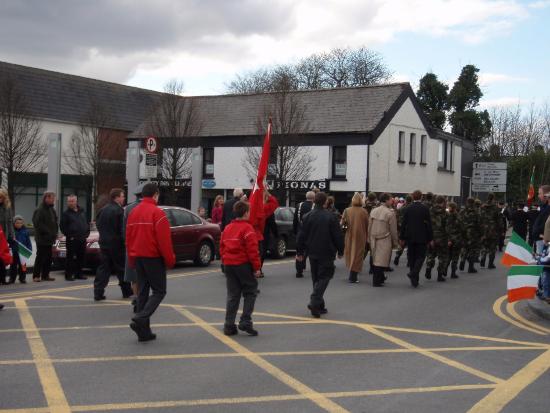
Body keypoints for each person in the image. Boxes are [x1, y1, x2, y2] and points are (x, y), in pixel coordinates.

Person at [126, 183, 175, 342]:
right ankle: (141, 317)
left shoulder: (133, 213)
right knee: (159, 291)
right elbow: (164, 241)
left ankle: (144, 332)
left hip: (138, 257)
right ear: (155, 195)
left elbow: (129, 238)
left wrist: (132, 259)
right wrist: (170, 260)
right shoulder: (158, 213)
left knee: (143, 293)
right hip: (153, 257)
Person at [297, 192, 344, 318]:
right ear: (325, 202)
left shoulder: (307, 216)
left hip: (312, 251)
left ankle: (319, 305)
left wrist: (299, 252)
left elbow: (301, 236)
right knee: (325, 277)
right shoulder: (331, 217)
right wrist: (341, 250)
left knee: (316, 278)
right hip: (327, 251)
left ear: (314, 202)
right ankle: (315, 301)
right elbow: (337, 235)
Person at [220, 201, 262, 336]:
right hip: (242, 264)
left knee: (233, 295)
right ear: (245, 213)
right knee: (250, 292)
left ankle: (229, 325)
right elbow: (252, 251)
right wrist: (257, 268)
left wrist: (225, 259)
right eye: (249, 212)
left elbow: (221, 246)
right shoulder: (248, 229)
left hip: (229, 264)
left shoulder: (227, 228)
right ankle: (245, 321)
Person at [94, 188, 133, 301]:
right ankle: (126, 291)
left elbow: (98, 224)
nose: (123, 198)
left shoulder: (102, 210)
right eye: (122, 196)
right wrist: (124, 241)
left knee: (104, 268)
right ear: (116, 197)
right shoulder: (119, 211)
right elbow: (122, 229)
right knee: (121, 268)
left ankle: (98, 292)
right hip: (116, 244)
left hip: (104, 243)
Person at [399, 190, 433, 288]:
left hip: (410, 236)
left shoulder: (408, 208)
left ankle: (414, 281)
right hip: (422, 237)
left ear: (413, 197)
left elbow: (403, 224)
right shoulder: (425, 209)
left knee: (412, 257)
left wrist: (402, 237)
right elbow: (429, 225)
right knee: (421, 257)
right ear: (421, 197)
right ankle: (414, 273)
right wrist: (430, 238)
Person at [369, 193, 399, 287]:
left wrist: (369, 238)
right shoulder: (390, 213)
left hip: (374, 237)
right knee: (381, 260)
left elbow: (369, 225)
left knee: (376, 258)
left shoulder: (374, 210)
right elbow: (393, 230)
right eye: (390, 199)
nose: (392, 201)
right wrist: (395, 242)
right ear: (386, 200)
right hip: (385, 238)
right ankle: (377, 281)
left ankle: (380, 278)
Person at [123, 184, 145, 313]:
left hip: (131, 246)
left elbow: (124, 229)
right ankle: (142, 298)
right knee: (144, 275)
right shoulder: (151, 208)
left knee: (133, 275)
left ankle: (136, 296)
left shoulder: (127, 209)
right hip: (145, 246)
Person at [60, 195, 90, 281]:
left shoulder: (82, 211)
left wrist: (87, 233)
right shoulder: (66, 214)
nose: (71, 203)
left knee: (81, 257)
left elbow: (86, 223)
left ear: (76, 201)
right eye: (69, 201)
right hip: (72, 239)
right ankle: (69, 275)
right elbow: (62, 226)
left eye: (72, 201)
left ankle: (79, 274)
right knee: (70, 258)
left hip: (82, 238)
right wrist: (70, 236)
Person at [341, 193, 369, 283]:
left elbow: (342, 224)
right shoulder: (364, 211)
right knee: (358, 254)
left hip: (349, 234)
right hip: (361, 235)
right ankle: (353, 275)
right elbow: (367, 225)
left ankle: (351, 272)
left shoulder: (347, 210)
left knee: (349, 252)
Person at [32, 192, 58, 282]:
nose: (53, 200)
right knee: (40, 257)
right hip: (42, 238)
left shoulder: (51, 210)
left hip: (50, 238)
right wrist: (48, 232)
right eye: (52, 199)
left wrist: (55, 233)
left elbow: (55, 222)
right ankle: (36, 276)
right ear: (46, 198)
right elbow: (37, 223)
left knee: (48, 258)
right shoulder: (40, 209)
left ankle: (45, 275)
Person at [425, 195, 449, 282]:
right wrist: (449, 238)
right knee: (442, 256)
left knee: (431, 254)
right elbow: (447, 227)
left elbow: (426, 224)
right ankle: (440, 275)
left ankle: (428, 268)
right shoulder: (445, 213)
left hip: (431, 236)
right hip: (442, 237)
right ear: (443, 202)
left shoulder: (430, 211)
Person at [293, 191, 314, 278]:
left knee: (299, 252)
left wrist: (295, 231)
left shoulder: (299, 205)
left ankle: (299, 271)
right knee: (311, 252)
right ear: (313, 198)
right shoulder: (314, 207)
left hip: (300, 231)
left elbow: (295, 220)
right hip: (311, 233)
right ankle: (314, 270)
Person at [479, 193, 503, 269]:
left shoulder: (482, 207)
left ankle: (482, 259)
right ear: (493, 198)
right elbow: (499, 220)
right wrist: (501, 229)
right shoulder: (496, 208)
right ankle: (490, 264)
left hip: (484, 229)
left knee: (484, 245)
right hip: (493, 230)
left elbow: (479, 218)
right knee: (492, 247)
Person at [459, 198, 482, 273]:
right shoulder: (476, 212)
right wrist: (481, 234)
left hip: (463, 232)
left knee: (464, 247)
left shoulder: (462, 211)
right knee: (472, 250)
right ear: (473, 203)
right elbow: (479, 224)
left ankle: (462, 259)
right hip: (473, 233)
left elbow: (458, 221)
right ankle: (470, 267)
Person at [10, 216, 31, 284]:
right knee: (13, 266)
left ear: (22, 223)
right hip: (14, 251)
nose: (19, 224)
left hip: (22, 251)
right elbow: (8, 241)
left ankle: (22, 278)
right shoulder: (11, 231)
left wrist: (29, 249)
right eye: (17, 223)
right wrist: (11, 239)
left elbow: (28, 242)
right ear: (14, 223)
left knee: (23, 266)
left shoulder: (25, 231)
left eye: (20, 223)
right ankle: (12, 278)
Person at [531, 185, 550, 254]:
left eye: (540, 193)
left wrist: (540, 234)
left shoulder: (547, 208)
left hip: (544, 240)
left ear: (546, 195)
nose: (538, 196)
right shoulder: (544, 207)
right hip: (540, 239)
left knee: (543, 263)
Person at [394, 195, 412, 266]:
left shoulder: (401, 208)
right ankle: (409, 261)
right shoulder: (411, 208)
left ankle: (397, 256)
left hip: (402, 228)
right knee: (410, 246)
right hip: (410, 229)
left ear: (405, 200)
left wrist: (399, 228)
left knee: (402, 244)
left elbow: (397, 218)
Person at [446, 202, 462, 279]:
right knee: (455, 257)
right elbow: (462, 228)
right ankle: (453, 273)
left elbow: (446, 229)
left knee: (448, 256)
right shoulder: (458, 216)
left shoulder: (447, 216)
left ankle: (444, 270)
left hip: (448, 239)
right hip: (457, 239)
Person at [0, 225, 12, 290]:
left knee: (2, 265)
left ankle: (3, 280)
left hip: (1, 249)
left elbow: (2, 238)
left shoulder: (0, 227)